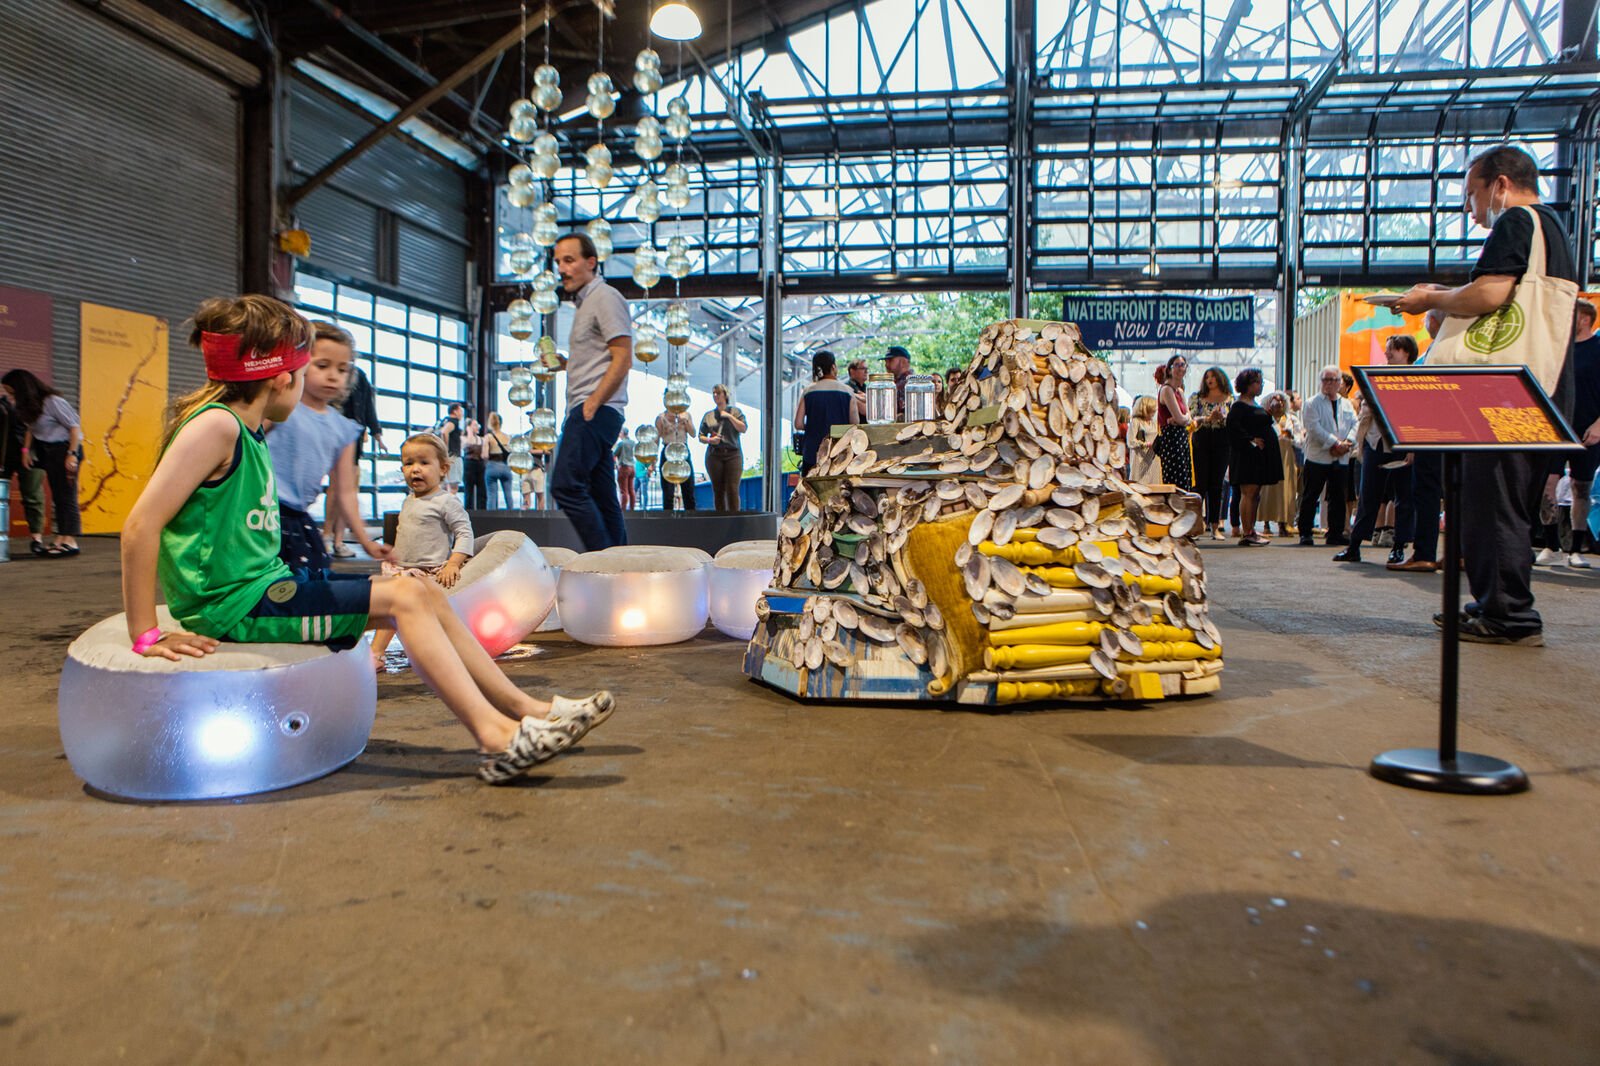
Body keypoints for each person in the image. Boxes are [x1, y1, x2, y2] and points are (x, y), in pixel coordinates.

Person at [120, 294, 612, 784]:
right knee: (406, 596)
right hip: (235, 605)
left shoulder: (243, 429)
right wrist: (145, 634)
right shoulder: (216, 426)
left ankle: (525, 709)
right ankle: (496, 738)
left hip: (260, 589)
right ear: (281, 376)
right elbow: (140, 526)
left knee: (420, 587)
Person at [1394, 145, 1579, 644]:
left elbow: (1491, 294)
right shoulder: (1553, 227)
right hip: (1542, 392)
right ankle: (1496, 602)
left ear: (1499, 184)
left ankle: (1509, 616)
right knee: (1501, 504)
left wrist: (1430, 299)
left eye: (1471, 195)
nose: (1470, 210)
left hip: (1505, 397)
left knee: (1492, 504)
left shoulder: (1517, 220)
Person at [264, 321, 388, 575]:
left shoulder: (344, 428)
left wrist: (366, 541)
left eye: (342, 370)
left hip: (298, 518)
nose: (333, 375)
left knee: (311, 578)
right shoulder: (280, 408)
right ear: (300, 365)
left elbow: (345, 492)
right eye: (322, 366)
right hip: (261, 513)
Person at [550, 232, 631, 549]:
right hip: (595, 408)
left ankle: (600, 563)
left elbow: (623, 356)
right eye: (558, 262)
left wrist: (593, 402)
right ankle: (620, 566)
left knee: (566, 485)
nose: (562, 269)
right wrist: (566, 364)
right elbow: (601, 358)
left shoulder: (604, 297)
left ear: (591, 262)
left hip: (595, 409)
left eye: (569, 260)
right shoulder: (585, 305)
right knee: (602, 495)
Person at [368, 433, 474, 668]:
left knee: (394, 611)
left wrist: (454, 563)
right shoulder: (410, 500)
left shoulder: (445, 502)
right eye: (408, 463)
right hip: (402, 568)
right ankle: (375, 652)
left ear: (443, 468)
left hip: (426, 572)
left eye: (424, 463)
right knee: (385, 609)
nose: (415, 470)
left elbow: (465, 532)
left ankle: (376, 652)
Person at [1336, 335, 1419, 566]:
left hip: (1402, 445)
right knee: (1368, 496)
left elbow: (1415, 415)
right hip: (1375, 442)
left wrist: (1413, 448)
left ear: (1407, 352)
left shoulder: (1415, 378)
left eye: (1393, 349)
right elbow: (1365, 408)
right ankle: (1354, 546)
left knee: (1403, 497)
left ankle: (1398, 547)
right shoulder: (1376, 374)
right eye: (1387, 349)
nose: (1388, 353)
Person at [1539, 297, 1598, 567]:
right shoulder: (1558, 350)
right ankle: (1551, 545)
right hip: (1555, 427)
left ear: (1584, 319)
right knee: (1546, 484)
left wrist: (1598, 425)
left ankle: (1576, 549)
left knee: (1580, 488)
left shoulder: (1597, 348)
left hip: (1587, 429)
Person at [1, 368, 82, 556]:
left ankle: (70, 540)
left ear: (23, 388)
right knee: (58, 495)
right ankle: (61, 537)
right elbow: (30, 429)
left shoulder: (53, 402)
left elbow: (74, 427)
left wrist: (72, 454)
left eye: (12, 392)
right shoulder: (30, 406)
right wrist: (25, 451)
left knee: (66, 495)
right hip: (49, 451)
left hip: (65, 448)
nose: (10, 396)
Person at [326, 360, 383, 559]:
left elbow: (367, 404)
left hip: (351, 436)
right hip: (333, 435)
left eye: (341, 370)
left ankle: (337, 540)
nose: (333, 376)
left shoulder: (359, 376)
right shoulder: (310, 414)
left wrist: (376, 433)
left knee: (346, 487)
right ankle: (327, 536)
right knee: (336, 489)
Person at [1296, 365, 1357, 546]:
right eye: (1325, 380)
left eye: (1332, 380)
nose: (1328, 384)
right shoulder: (1311, 403)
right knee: (1311, 495)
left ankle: (1335, 533)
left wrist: (1347, 443)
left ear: (1340, 383)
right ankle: (1305, 532)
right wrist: (1335, 443)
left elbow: (1355, 424)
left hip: (1341, 457)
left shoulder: (1346, 404)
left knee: (1338, 497)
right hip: (1318, 457)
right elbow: (1314, 428)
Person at [1226, 368, 1283, 546]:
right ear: (1247, 384)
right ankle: (1247, 531)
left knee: (1255, 493)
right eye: (1258, 382)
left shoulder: (1254, 404)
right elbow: (1233, 428)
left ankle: (1250, 528)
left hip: (1258, 456)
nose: (1261, 385)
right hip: (1247, 456)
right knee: (1248, 493)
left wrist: (1271, 412)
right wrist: (1250, 441)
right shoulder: (1238, 405)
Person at [0, 385, 49, 555]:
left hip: (31, 454)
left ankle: (37, 539)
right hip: (4, 455)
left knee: (33, 496)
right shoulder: (3, 405)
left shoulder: (35, 406)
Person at [795, 350, 859, 475]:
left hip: (812, 453)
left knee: (809, 490)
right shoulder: (847, 391)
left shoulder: (808, 391)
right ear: (833, 367)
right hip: (839, 452)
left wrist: (814, 426)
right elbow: (855, 423)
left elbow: (798, 424)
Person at [1188, 367, 1233, 540]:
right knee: (1200, 484)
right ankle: (1197, 525)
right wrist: (1207, 418)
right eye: (1207, 377)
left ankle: (1215, 525)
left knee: (1217, 485)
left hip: (1222, 440)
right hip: (1202, 438)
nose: (1210, 380)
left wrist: (1223, 419)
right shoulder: (1197, 397)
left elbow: (1234, 420)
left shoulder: (1229, 399)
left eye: (1213, 376)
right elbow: (1191, 417)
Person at [1257, 392, 1301, 537]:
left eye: (1282, 401)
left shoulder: (1291, 419)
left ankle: (1284, 524)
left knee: (1286, 490)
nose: (1279, 404)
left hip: (1287, 458)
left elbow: (1300, 439)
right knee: (1268, 490)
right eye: (1275, 401)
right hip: (1269, 456)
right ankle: (1266, 524)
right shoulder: (1264, 419)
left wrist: (1291, 436)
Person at [699, 384, 747, 511]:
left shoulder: (736, 412)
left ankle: (734, 519)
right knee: (718, 489)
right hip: (714, 455)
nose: (716, 396)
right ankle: (720, 518)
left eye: (718, 393)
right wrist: (710, 440)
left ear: (725, 395)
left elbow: (743, 428)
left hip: (733, 454)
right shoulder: (708, 416)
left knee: (732, 488)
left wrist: (729, 416)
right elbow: (701, 436)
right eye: (714, 394)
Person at [1153, 355, 1193, 488]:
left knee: (1185, 477)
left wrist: (1181, 419)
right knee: (1175, 481)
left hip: (1181, 438)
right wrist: (1181, 419)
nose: (1179, 368)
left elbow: (1187, 418)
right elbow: (1182, 418)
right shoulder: (1166, 390)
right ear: (1169, 370)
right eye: (1176, 365)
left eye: (1182, 365)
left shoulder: (1179, 391)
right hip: (1171, 440)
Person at [654, 394, 697, 511]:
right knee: (668, 492)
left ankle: (692, 519)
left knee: (688, 489)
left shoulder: (686, 414)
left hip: (683, 450)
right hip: (668, 450)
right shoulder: (661, 417)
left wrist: (686, 422)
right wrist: (653, 460)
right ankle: (668, 520)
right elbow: (656, 439)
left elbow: (693, 433)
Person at [482, 412, 515, 510]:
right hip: (505, 467)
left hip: (492, 466)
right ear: (501, 423)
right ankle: (512, 518)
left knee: (491, 495)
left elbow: (484, 455)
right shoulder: (508, 437)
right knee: (508, 494)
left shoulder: (488, 437)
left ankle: (490, 521)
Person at [1127, 395, 1160, 483]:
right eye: (1152, 410)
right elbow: (1130, 441)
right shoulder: (1135, 422)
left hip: (1153, 459)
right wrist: (1144, 444)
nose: (1154, 412)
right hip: (1140, 458)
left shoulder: (1154, 423)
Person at [459, 416, 486, 510]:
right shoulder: (463, 438)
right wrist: (469, 432)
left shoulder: (481, 439)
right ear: (469, 427)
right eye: (475, 425)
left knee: (482, 490)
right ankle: (468, 511)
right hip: (469, 464)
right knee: (469, 490)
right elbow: (468, 444)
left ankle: (482, 511)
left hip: (480, 465)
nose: (477, 427)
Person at [437, 403, 464, 494]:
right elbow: (445, 432)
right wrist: (446, 450)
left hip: (443, 457)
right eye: (460, 411)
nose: (462, 414)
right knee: (453, 486)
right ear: (455, 411)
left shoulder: (443, 421)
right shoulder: (453, 422)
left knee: (444, 485)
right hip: (453, 456)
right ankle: (450, 507)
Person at [884, 346, 913, 421]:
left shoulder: (910, 383)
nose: (886, 365)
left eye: (890, 360)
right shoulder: (893, 383)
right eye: (886, 361)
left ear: (903, 362)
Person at [613, 427, 636, 510]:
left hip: (624, 467)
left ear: (622, 433)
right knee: (631, 489)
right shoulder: (633, 443)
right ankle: (632, 508)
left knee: (624, 491)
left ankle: (623, 510)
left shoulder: (621, 443)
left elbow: (614, 454)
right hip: (632, 467)